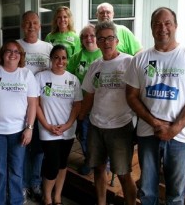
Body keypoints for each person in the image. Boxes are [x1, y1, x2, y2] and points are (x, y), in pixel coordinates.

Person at [124, 7, 185, 205]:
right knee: (147, 191)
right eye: (157, 24)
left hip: (180, 136)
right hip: (148, 133)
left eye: (167, 23)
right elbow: (131, 95)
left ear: (175, 26)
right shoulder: (140, 59)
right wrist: (154, 122)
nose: (162, 28)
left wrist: (174, 128)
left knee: (175, 194)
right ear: (151, 28)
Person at [80, 21, 137, 205]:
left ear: (117, 40)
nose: (106, 42)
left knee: (123, 174)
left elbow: (138, 94)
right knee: (98, 168)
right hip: (96, 126)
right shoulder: (95, 66)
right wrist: (79, 118)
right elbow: (89, 96)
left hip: (120, 127)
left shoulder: (129, 62)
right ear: (97, 42)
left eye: (110, 38)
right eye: (102, 39)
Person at [0, 40, 38, 205]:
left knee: (16, 170)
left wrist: (29, 128)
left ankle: (16, 201)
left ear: (21, 56)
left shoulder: (26, 75)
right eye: (9, 51)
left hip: (18, 131)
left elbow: (33, 104)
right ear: (2, 54)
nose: (12, 54)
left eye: (17, 52)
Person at [35, 44, 83, 205]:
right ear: (51, 59)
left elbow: (77, 105)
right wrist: (48, 126)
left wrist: (68, 125)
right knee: (52, 164)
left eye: (63, 58)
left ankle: (57, 196)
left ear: (67, 60)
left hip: (67, 130)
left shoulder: (73, 79)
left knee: (63, 164)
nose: (60, 61)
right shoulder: (41, 77)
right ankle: (47, 197)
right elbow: (35, 105)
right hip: (47, 130)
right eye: (56, 57)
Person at [17, 10, 53, 202]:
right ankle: (22, 185)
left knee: (39, 149)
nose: (31, 26)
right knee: (22, 147)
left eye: (35, 23)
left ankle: (35, 183)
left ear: (40, 26)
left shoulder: (48, 47)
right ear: (22, 25)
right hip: (18, 105)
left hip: (42, 106)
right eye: (27, 23)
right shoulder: (16, 46)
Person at [67, 23, 102, 175]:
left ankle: (101, 162)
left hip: (100, 104)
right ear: (81, 40)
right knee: (83, 133)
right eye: (85, 36)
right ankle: (89, 160)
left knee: (99, 135)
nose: (89, 38)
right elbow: (66, 76)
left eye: (92, 35)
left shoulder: (103, 54)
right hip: (81, 103)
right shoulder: (77, 57)